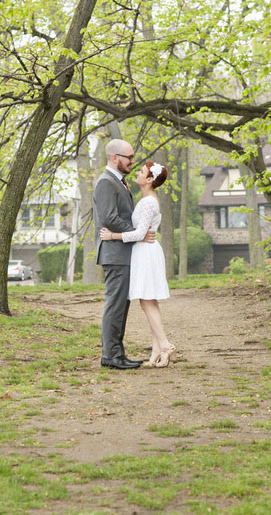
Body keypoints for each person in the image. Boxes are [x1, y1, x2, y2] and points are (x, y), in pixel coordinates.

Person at [100, 160, 175, 368]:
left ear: (149, 180)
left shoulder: (149, 202)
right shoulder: (146, 200)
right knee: (148, 301)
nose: (138, 172)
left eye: (142, 171)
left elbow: (140, 233)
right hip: (143, 251)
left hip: (146, 253)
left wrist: (112, 235)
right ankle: (156, 353)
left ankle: (165, 345)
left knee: (146, 301)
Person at [93, 139, 155, 370]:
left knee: (121, 305)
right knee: (115, 305)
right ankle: (110, 355)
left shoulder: (119, 181)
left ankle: (118, 353)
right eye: (129, 157)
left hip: (122, 253)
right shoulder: (106, 183)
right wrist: (137, 233)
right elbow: (109, 218)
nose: (132, 161)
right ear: (114, 157)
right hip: (114, 254)